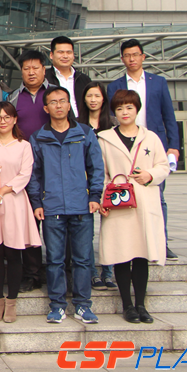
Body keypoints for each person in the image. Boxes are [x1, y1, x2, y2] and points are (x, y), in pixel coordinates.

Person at [26, 86, 105, 325]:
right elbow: (34, 174)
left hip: (82, 206)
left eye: (62, 101)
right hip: (52, 208)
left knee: (82, 259)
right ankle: (57, 305)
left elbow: (96, 167)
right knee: (55, 260)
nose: (58, 106)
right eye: (53, 102)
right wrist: (37, 202)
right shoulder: (38, 137)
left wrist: (95, 196)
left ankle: (83, 305)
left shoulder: (84, 133)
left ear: (70, 105)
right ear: (46, 108)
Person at [97, 90, 170, 324]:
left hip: (144, 201)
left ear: (137, 109)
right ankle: (127, 305)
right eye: (119, 109)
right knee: (121, 252)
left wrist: (150, 174)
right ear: (114, 112)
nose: (125, 112)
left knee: (140, 254)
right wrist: (102, 199)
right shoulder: (105, 139)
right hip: (118, 203)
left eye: (129, 107)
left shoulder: (151, 138)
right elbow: (100, 172)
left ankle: (141, 304)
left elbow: (163, 165)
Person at [107, 39, 181, 261]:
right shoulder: (114, 86)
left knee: (157, 195)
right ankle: (131, 243)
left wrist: (173, 146)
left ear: (143, 57)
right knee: (125, 193)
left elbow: (169, 116)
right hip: (125, 145)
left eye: (135, 54)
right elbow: (111, 117)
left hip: (151, 145)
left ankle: (161, 242)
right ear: (122, 59)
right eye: (127, 55)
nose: (132, 59)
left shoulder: (158, 82)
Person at [0, 102, 40, 324]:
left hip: (15, 201)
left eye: (7, 117)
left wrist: (3, 190)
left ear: (15, 120)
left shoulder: (24, 146)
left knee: (14, 253)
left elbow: (25, 174)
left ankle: (12, 302)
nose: (2, 121)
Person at [7, 49, 50, 292]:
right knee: (29, 221)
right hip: (24, 167)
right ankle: (32, 273)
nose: (31, 72)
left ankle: (57, 270)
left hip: (51, 166)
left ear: (44, 69)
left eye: (35, 67)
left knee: (53, 220)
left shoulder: (54, 95)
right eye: (26, 68)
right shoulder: (14, 97)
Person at [77, 82, 119, 291]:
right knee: (87, 232)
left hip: (110, 182)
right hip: (84, 183)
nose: (93, 100)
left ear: (104, 99)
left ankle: (108, 272)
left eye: (97, 96)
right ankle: (93, 273)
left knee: (109, 229)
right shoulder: (77, 124)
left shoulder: (113, 123)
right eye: (89, 96)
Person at [45, 36, 91, 118]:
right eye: (61, 52)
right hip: (55, 123)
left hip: (82, 123)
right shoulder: (44, 79)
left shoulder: (84, 79)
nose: (65, 56)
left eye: (69, 52)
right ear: (51, 55)